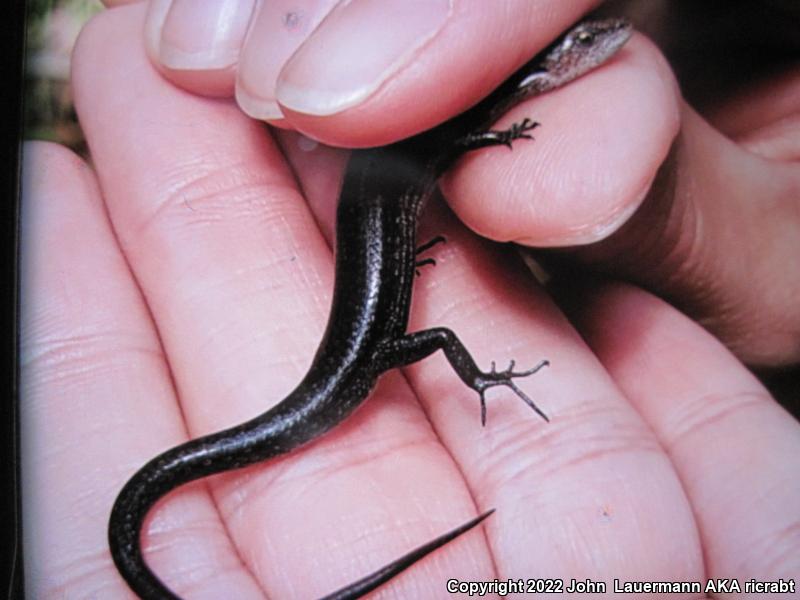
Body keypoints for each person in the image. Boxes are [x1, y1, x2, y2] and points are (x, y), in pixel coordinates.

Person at [21, 1, 799, 597]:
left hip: (355, 350)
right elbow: (451, 145)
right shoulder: (460, 108)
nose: (597, 47)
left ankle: (477, 376)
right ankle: (481, 379)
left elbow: (443, 149)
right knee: (417, 336)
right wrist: (492, 143)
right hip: (359, 363)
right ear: (553, 66)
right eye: (585, 48)